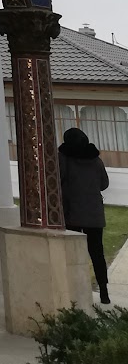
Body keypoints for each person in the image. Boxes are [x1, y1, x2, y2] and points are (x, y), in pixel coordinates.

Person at [58, 125, 111, 304]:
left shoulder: (64, 159)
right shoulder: (95, 160)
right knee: (97, 253)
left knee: (73, 253)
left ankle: (76, 289)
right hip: (94, 213)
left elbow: (57, 179)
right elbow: (104, 183)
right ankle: (104, 291)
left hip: (72, 212)